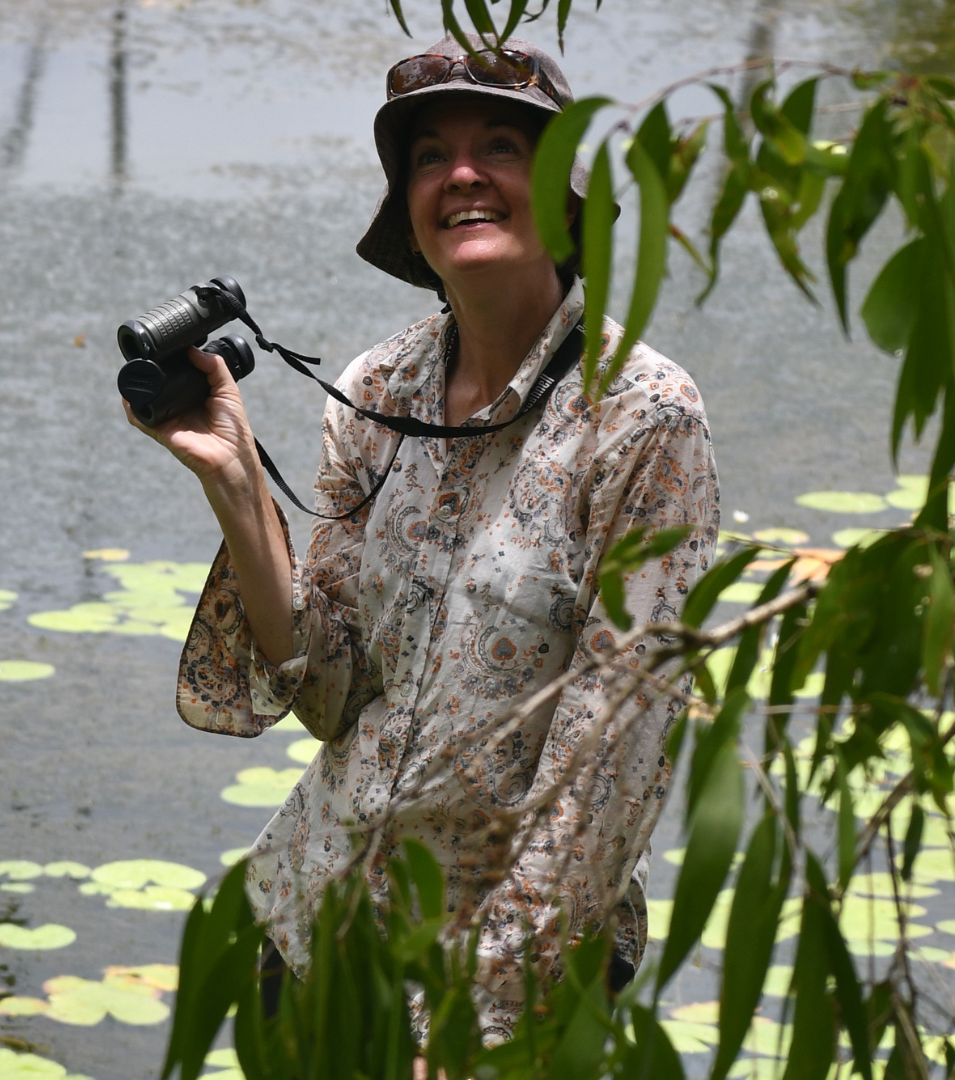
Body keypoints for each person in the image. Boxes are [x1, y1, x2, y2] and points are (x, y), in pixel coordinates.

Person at [125, 34, 719, 1042]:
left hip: (503, 988)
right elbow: (333, 690)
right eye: (429, 155)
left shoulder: (645, 419)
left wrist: (475, 1018)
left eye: (502, 145)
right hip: (314, 938)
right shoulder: (374, 392)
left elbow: (611, 767)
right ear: (407, 199)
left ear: (567, 192)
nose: (463, 175)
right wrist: (233, 481)